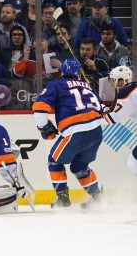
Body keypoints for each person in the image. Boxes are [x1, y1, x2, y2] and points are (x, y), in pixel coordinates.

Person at [32, 58, 106, 209]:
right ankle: (97, 197)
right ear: (78, 72)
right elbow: (103, 108)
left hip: (76, 130)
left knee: (54, 160)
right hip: (97, 131)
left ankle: (62, 197)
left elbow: (39, 107)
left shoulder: (56, 84)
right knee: (79, 165)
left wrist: (44, 127)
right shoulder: (87, 85)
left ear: (62, 71)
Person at [104, 66, 137, 176]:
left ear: (122, 81)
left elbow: (109, 119)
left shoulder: (126, 95)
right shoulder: (135, 87)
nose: (112, 84)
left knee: (133, 163)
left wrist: (100, 106)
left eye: (114, 80)